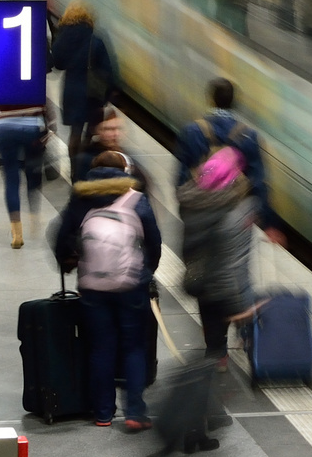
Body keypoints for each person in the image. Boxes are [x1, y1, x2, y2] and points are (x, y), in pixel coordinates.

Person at [55, 151, 161, 431]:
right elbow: (154, 241)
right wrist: (147, 272)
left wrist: (69, 263)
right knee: (133, 347)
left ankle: (102, 413)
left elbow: (61, 239)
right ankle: (135, 413)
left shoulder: (81, 199)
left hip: (92, 286)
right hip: (130, 285)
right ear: (125, 170)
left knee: (101, 348)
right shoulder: (137, 199)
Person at [176, 78, 283, 244]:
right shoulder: (248, 136)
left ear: (210, 99)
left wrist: (187, 210)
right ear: (234, 103)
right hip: (234, 216)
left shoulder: (192, 131)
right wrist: (269, 223)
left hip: (198, 214)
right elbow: (258, 184)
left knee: (196, 264)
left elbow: (182, 177)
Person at [178, 146, 256, 371]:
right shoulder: (235, 206)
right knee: (236, 308)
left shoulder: (190, 203)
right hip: (229, 278)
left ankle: (217, 355)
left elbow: (186, 243)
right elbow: (238, 253)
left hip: (200, 276)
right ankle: (246, 338)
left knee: (210, 317)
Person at [0, 100, 48, 249]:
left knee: (11, 177)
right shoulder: (33, 76)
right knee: (33, 172)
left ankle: (17, 233)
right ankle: (34, 219)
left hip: (2, 126)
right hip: (31, 124)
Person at [50, 0, 99, 153]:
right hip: (92, 90)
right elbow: (106, 66)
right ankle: (86, 158)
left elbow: (57, 64)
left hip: (72, 89)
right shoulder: (94, 38)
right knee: (93, 128)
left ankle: (74, 170)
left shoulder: (63, 37)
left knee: (75, 132)